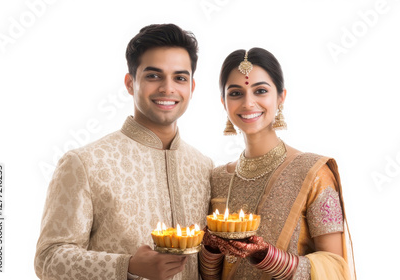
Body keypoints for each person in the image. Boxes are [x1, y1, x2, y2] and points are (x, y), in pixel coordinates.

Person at [34, 23, 213, 280]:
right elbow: (48, 259)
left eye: (180, 78)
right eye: (153, 76)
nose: (167, 88)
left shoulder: (203, 166)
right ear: (130, 83)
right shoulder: (85, 163)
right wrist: (127, 266)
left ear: (192, 87)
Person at [199, 48, 355, 279]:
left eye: (260, 91)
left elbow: (335, 268)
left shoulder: (313, 173)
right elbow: (209, 275)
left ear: (281, 97)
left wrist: (267, 256)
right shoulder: (218, 177)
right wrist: (210, 248)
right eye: (235, 93)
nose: (248, 103)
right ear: (223, 102)